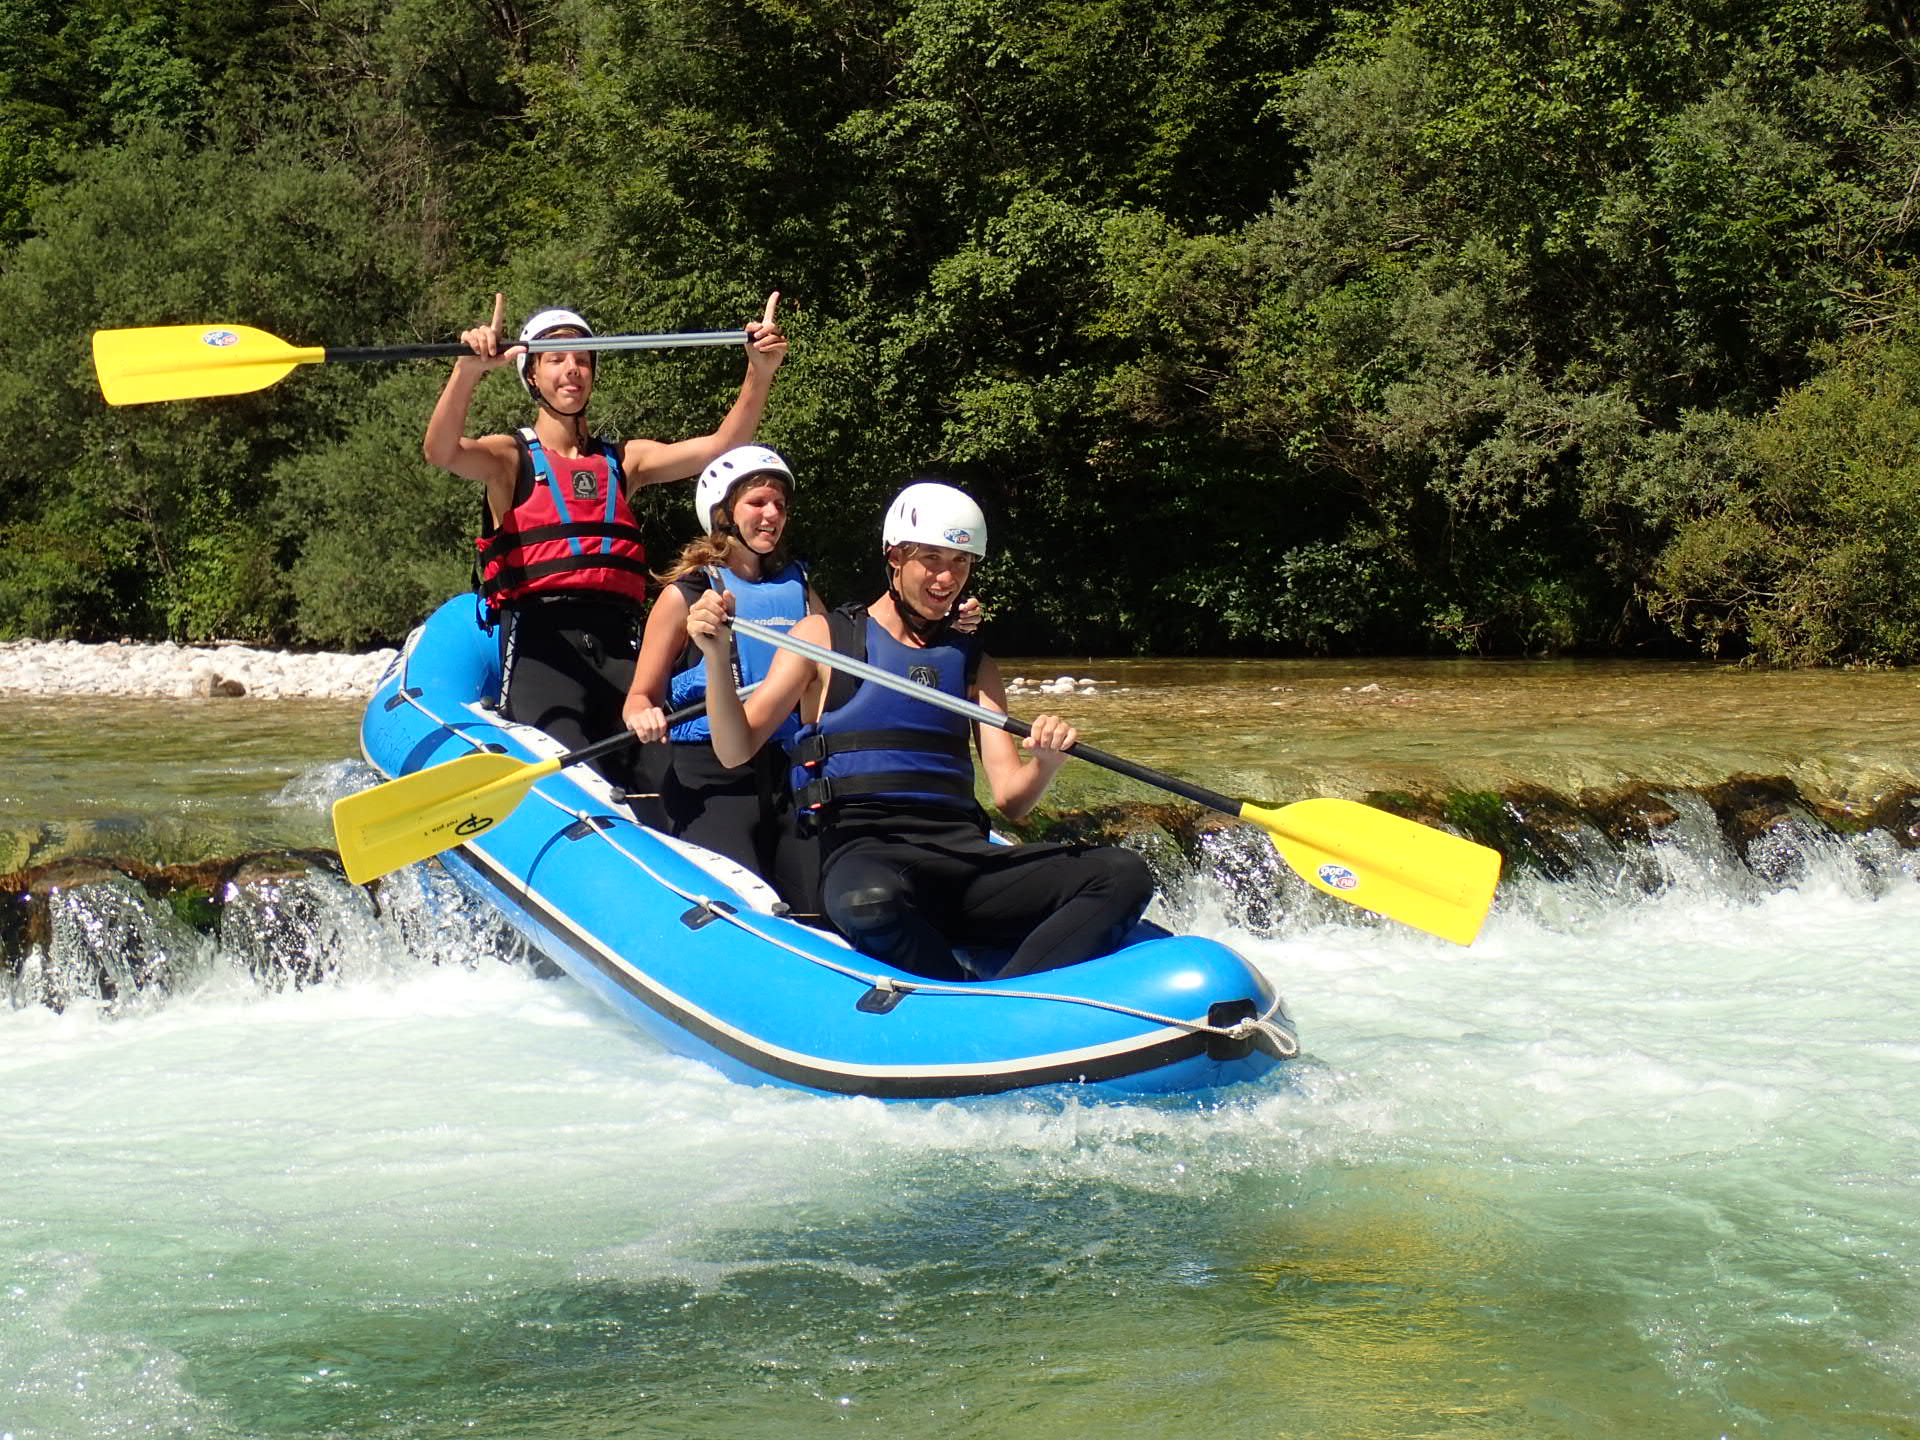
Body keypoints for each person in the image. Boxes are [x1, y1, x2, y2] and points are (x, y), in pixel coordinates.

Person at [680, 480, 1155, 980]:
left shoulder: (972, 663)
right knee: (869, 900)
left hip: (964, 858)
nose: (947, 577)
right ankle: (961, 994)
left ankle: (1009, 999)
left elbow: (1012, 800)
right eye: (931, 558)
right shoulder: (825, 637)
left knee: (1122, 874)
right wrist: (716, 656)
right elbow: (735, 748)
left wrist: (1045, 762)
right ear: (895, 557)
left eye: (960, 561)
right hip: (866, 853)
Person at [421, 291, 786, 784]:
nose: (572, 369)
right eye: (556, 359)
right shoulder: (509, 458)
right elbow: (441, 451)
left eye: (582, 359)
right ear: (532, 375)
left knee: (664, 775)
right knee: (573, 772)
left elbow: (724, 446)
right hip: (542, 647)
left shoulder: (623, 461)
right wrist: (467, 371)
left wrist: (759, 372)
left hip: (618, 647)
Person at [622, 444, 825, 910]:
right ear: (723, 514)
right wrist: (644, 715)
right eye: (758, 502)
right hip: (710, 779)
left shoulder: (801, 592)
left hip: (788, 774)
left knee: (818, 906)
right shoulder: (685, 595)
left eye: (779, 504)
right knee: (738, 905)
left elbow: (841, 661)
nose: (772, 514)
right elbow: (639, 696)